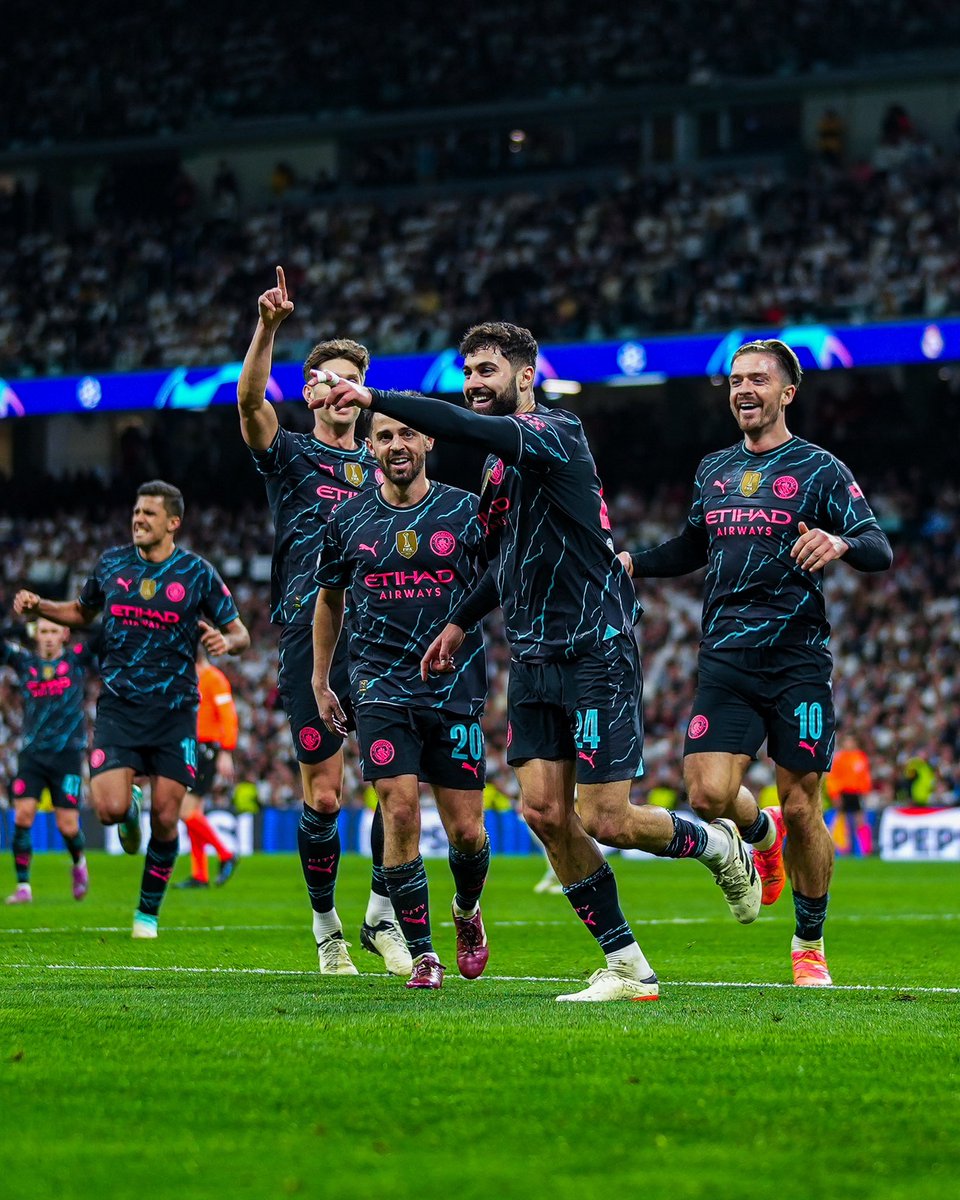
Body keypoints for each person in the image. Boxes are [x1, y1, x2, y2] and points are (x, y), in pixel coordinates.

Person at [312, 321, 761, 1003]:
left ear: (526, 376)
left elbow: (465, 427)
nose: (474, 384)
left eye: (487, 371)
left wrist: (371, 398)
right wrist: (460, 622)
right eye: (468, 372)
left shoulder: (555, 434)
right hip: (532, 654)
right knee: (545, 812)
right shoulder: (496, 471)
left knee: (606, 819)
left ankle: (718, 848)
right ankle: (627, 966)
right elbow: (505, 559)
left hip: (594, 648)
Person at [620, 339, 893, 986]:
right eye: (736, 380)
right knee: (708, 793)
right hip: (727, 656)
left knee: (805, 807)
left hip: (797, 661)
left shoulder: (820, 468)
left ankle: (809, 942)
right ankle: (759, 834)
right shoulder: (714, 469)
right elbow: (691, 545)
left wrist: (841, 539)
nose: (743, 390)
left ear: (787, 393)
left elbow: (878, 548)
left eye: (757, 381)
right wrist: (634, 561)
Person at [237, 266, 409, 977]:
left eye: (350, 380)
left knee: (394, 788)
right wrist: (268, 329)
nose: (339, 390)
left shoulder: (386, 469)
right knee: (326, 794)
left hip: (381, 640)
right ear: (309, 391)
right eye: (327, 378)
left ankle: (379, 913)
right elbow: (250, 405)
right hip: (309, 637)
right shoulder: (292, 455)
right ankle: (326, 925)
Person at [14, 481, 249, 938]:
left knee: (166, 817)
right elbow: (82, 615)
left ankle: (146, 914)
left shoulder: (197, 573)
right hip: (120, 708)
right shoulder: (111, 565)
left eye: (149, 514)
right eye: (136, 512)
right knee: (107, 810)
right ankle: (128, 806)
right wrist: (39, 605)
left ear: (173, 522)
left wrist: (229, 642)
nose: (138, 519)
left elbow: (239, 631)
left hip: (175, 711)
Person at [313, 412, 490, 989]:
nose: (396, 445)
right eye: (385, 436)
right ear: (370, 445)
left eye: (407, 434)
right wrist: (321, 680)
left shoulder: (466, 510)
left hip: (456, 684)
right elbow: (330, 601)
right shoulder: (348, 516)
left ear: (428, 439)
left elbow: (501, 577)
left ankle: (466, 911)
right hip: (379, 684)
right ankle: (422, 953)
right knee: (401, 810)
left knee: (467, 833)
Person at [2, 619, 96, 904]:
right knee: (22, 815)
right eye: (43, 631)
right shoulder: (25, 663)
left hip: (67, 755)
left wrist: (72, 617)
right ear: (36, 634)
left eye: (54, 631)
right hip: (32, 754)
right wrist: (21, 628)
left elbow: (104, 632)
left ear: (64, 634)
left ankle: (79, 863)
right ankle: (23, 887)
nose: (49, 638)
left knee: (67, 825)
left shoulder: (76, 659)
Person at [175, 645, 241, 889]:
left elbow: (228, 716)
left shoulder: (214, 679)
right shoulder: (193, 680)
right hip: (193, 748)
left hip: (206, 750)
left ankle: (226, 854)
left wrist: (226, 751)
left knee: (185, 813)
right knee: (194, 813)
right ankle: (199, 874)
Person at [826, 733, 874, 857]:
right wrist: (835, 795)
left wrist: (865, 791)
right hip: (843, 793)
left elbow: (864, 777)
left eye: (851, 741)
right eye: (847, 741)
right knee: (841, 823)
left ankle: (866, 849)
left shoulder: (860, 757)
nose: (849, 744)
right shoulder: (840, 758)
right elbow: (833, 778)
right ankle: (839, 848)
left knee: (860, 821)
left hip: (856, 793)